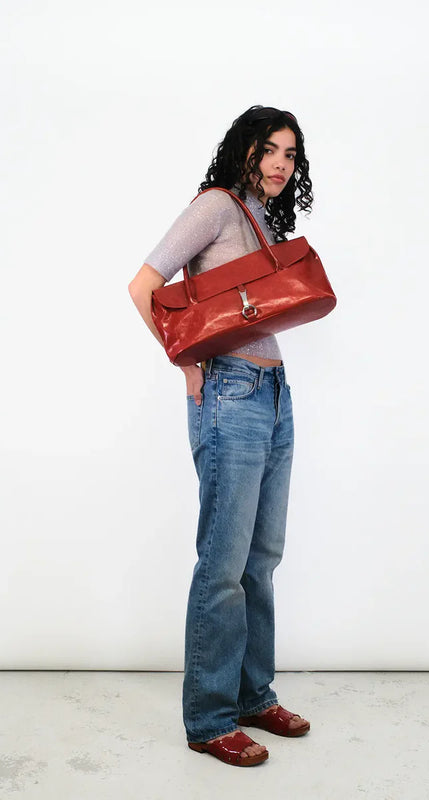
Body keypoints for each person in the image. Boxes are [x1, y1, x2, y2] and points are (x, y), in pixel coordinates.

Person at [128, 105, 312, 767]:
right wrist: (184, 362)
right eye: (269, 150)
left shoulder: (264, 218)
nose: (279, 164)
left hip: (274, 392)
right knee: (223, 563)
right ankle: (208, 719)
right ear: (244, 149)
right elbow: (143, 286)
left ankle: (252, 695)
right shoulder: (214, 206)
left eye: (289, 154)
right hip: (229, 391)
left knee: (261, 558)